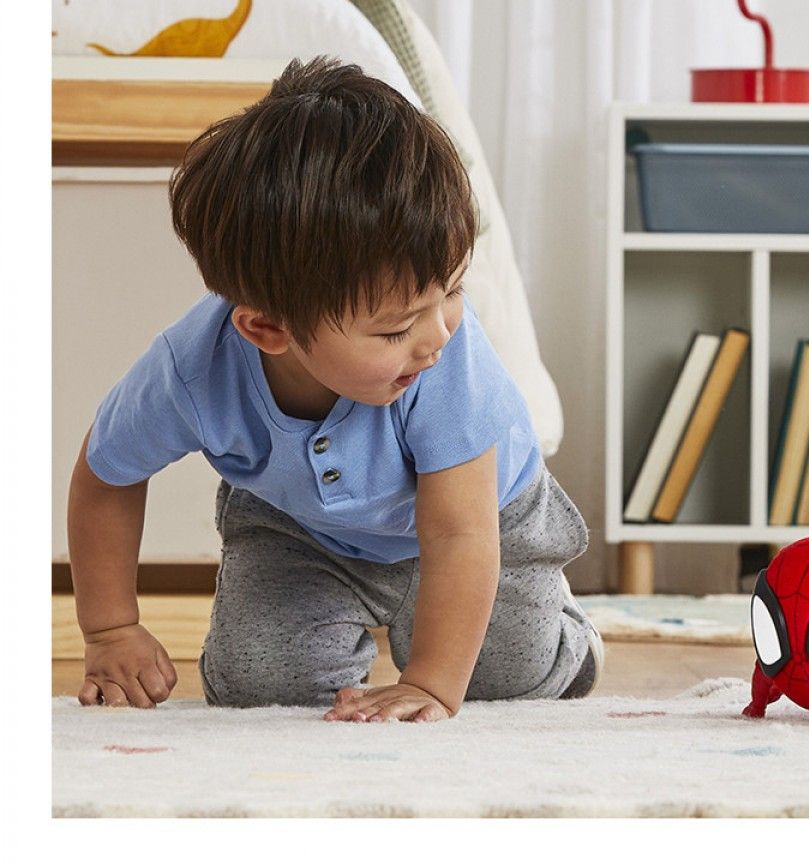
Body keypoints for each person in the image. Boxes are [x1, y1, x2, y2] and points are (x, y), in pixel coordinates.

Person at [67, 56, 600, 722]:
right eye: (397, 328)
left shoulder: (447, 361)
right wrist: (110, 628)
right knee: (262, 686)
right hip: (303, 532)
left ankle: (569, 638)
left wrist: (431, 684)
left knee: (503, 673)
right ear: (268, 329)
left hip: (483, 521)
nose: (438, 335)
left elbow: (460, 533)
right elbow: (106, 474)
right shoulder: (192, 371)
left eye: (453, 291)